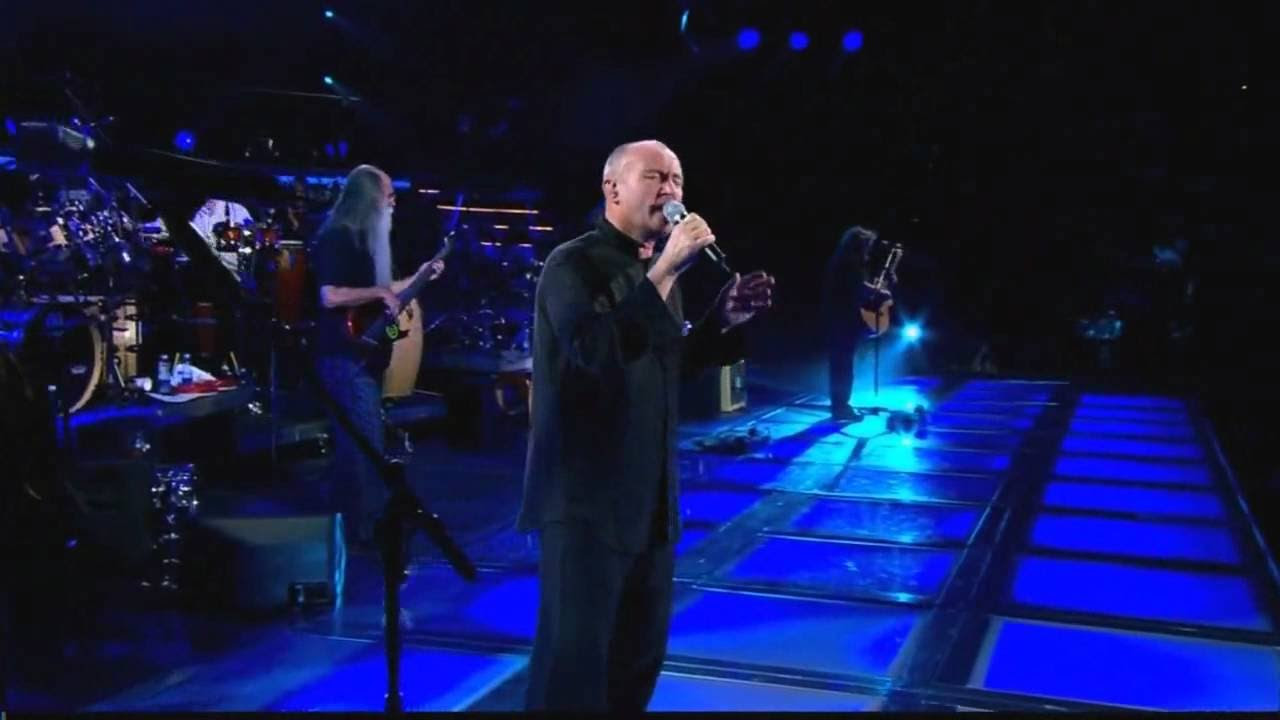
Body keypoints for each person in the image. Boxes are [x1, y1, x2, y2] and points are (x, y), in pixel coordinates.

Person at [517, 140, 775, 711]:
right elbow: (594, 356)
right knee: (573, 672)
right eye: (655, 176)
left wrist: (720, 321)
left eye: (679, 179)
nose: (672, 190)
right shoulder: (572, 264)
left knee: (636, 665)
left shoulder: (659, 275)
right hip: (584, 505)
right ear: (612, 189)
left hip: (651, 505)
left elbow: (662, 367)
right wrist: (661, 271)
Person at [309, 164, 444, 547]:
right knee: (363, 445)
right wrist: (378, 294)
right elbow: (330, 294)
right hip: (343, 356)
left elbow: (385, 293)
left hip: (366, 354)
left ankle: (347, 524)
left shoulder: (369, 242)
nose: (393, 202)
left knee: (362, 444)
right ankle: (359, 529)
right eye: (387, 195)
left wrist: (419, 278)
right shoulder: (340, 236)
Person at [821, 225, 894, 422]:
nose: (869, 251)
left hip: (839, 318)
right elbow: (857, 287)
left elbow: (858, 286)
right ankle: (841, 407)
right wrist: (879, 292)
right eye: (867, 246)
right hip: (842, 319)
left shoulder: (844, 261)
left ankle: (840, 406)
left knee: (841, 364)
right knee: (843, 364)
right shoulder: (849, 263)